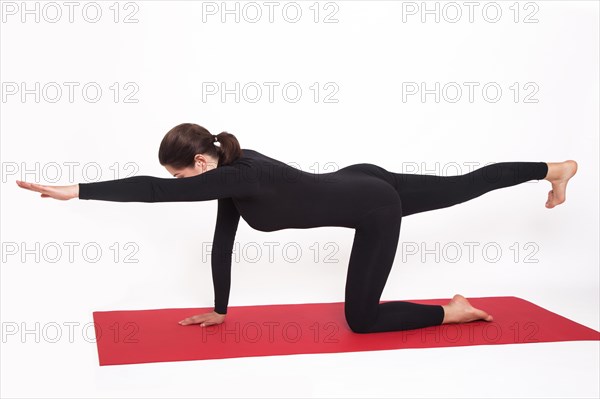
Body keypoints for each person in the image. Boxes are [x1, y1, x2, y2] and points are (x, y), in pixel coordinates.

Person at [15, 123, 578, 334]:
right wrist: (222, 308)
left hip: (373, 204)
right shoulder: (229, 180)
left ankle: (452, 311)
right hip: (360, 179)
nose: (180, 185)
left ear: (202, 165)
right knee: (465, 183)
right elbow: (223, 239)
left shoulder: (239, 172)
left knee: (361, 321)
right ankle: (553, 170)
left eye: (183, 175)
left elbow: (157, 192)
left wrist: (78, 189)